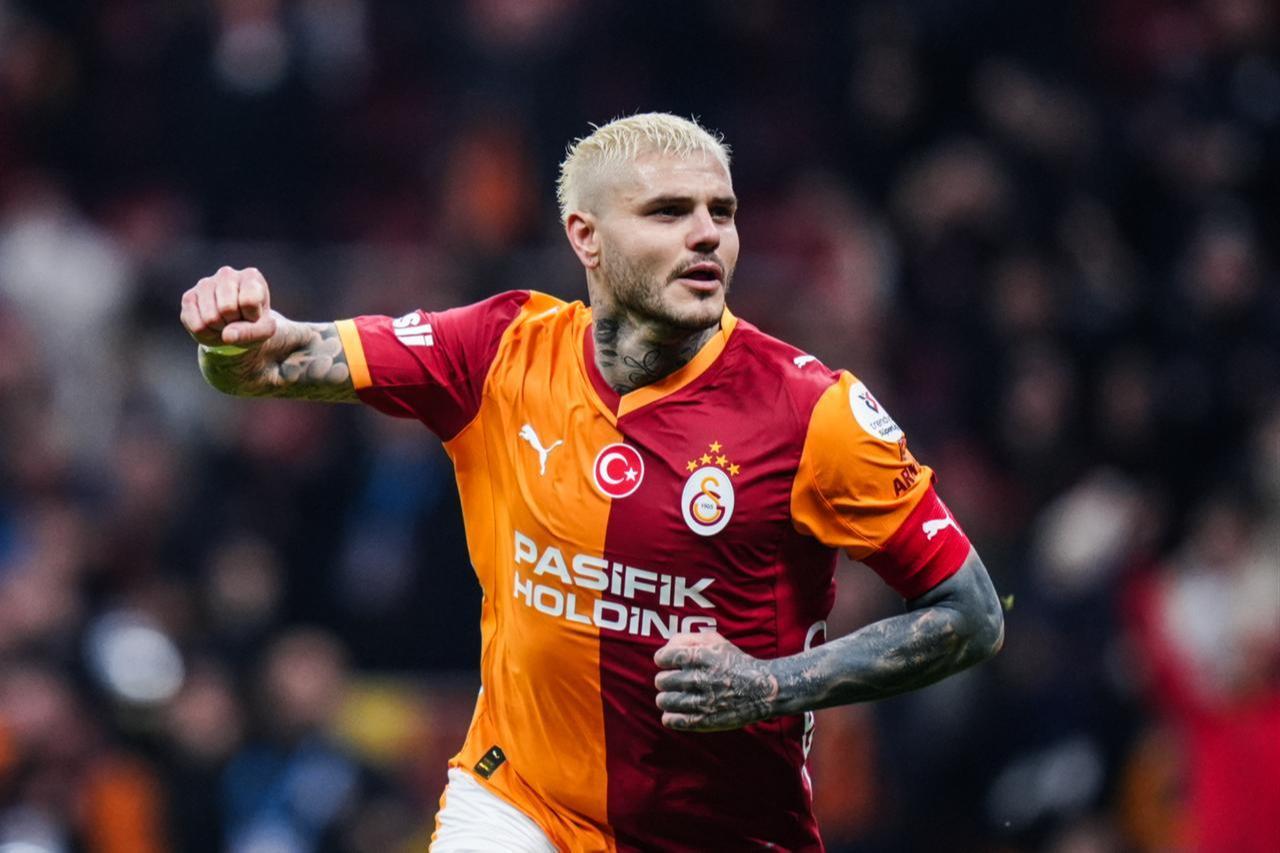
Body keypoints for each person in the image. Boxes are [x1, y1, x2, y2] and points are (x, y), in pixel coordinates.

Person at [180, 113, 1005, 852]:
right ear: (586, 236)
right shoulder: (502, 348)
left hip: (724, 831)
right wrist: (234, 339)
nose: (707, 235)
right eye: (668, 212)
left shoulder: (811, 411)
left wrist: (771, 683)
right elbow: (271, 362)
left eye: (722, 212)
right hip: (518, 801)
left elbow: (971, 613)